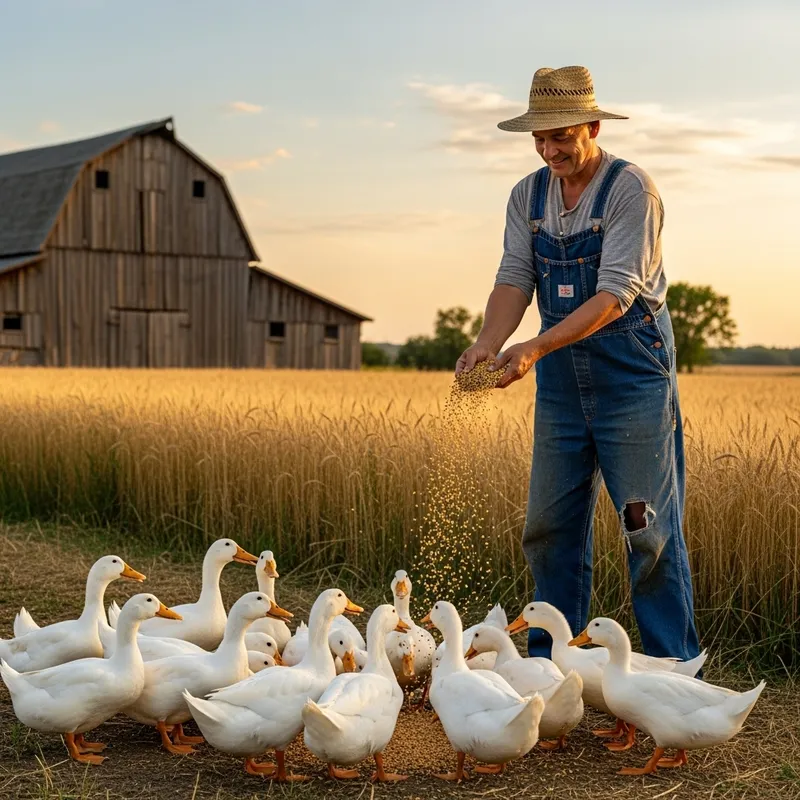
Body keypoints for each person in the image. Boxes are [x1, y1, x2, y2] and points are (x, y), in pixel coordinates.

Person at [456, 65, 701, 663]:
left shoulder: (630, 189)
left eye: (560, 136)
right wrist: (488, 342)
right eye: (539, 139)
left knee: (650, 534)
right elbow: (515, 277)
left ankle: (674, 673)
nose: (548, 149)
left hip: (632, 375)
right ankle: (551, 674)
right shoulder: (527, 195)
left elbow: (615, 294)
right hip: (564, 379)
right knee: (548, 528)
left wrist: (534, 348)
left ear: (591, 125)